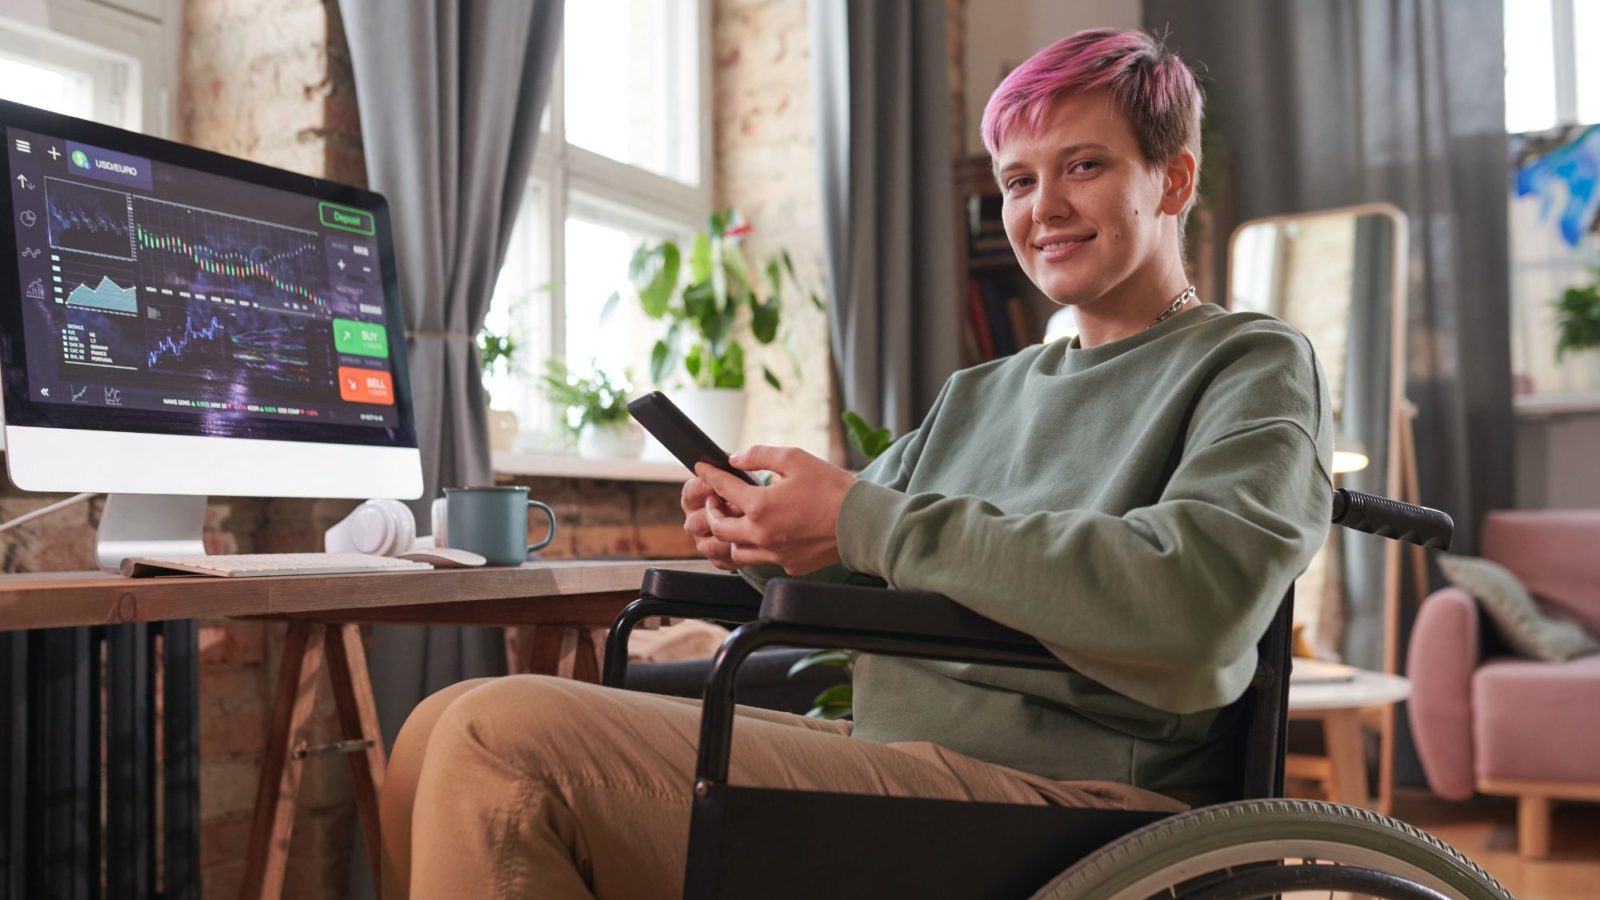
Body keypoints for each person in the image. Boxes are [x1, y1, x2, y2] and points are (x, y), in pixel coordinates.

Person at [380, 28, 1332, 900]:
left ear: (1172, 180)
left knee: (493, 743)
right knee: (434, 730)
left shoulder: (1248, 363)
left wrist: (859, 519)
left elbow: (1191, 610)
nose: (1045, 208)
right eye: (1016, 181)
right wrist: (761, 529)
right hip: (904, 761)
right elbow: (856, 549)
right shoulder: (983, 393)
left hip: (1078, 802)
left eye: (1083, 166)